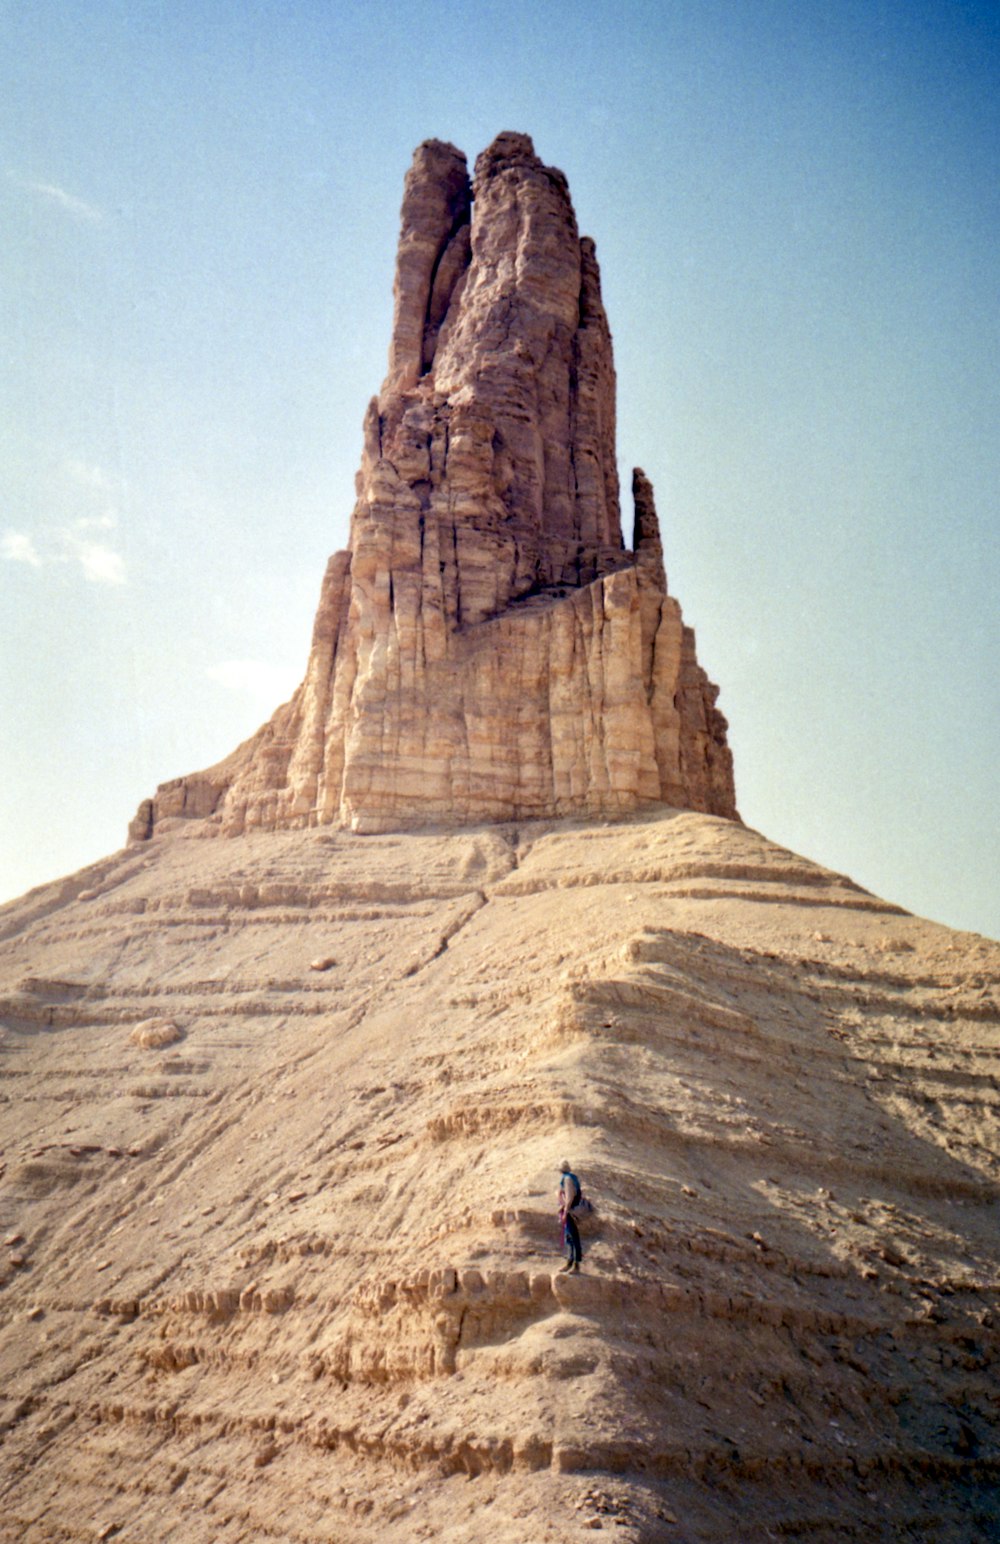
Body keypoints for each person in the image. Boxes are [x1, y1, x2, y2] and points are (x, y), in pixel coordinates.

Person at [558, 1158, 583, 1272]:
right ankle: (571, 1262)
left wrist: (565, 1212)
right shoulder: (573, 1177)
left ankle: (574, 1264)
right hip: (573, 1210)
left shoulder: (567, 1179)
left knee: (572, 1237)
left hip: (571, 1211)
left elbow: (569, 1197)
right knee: (571, 1236)